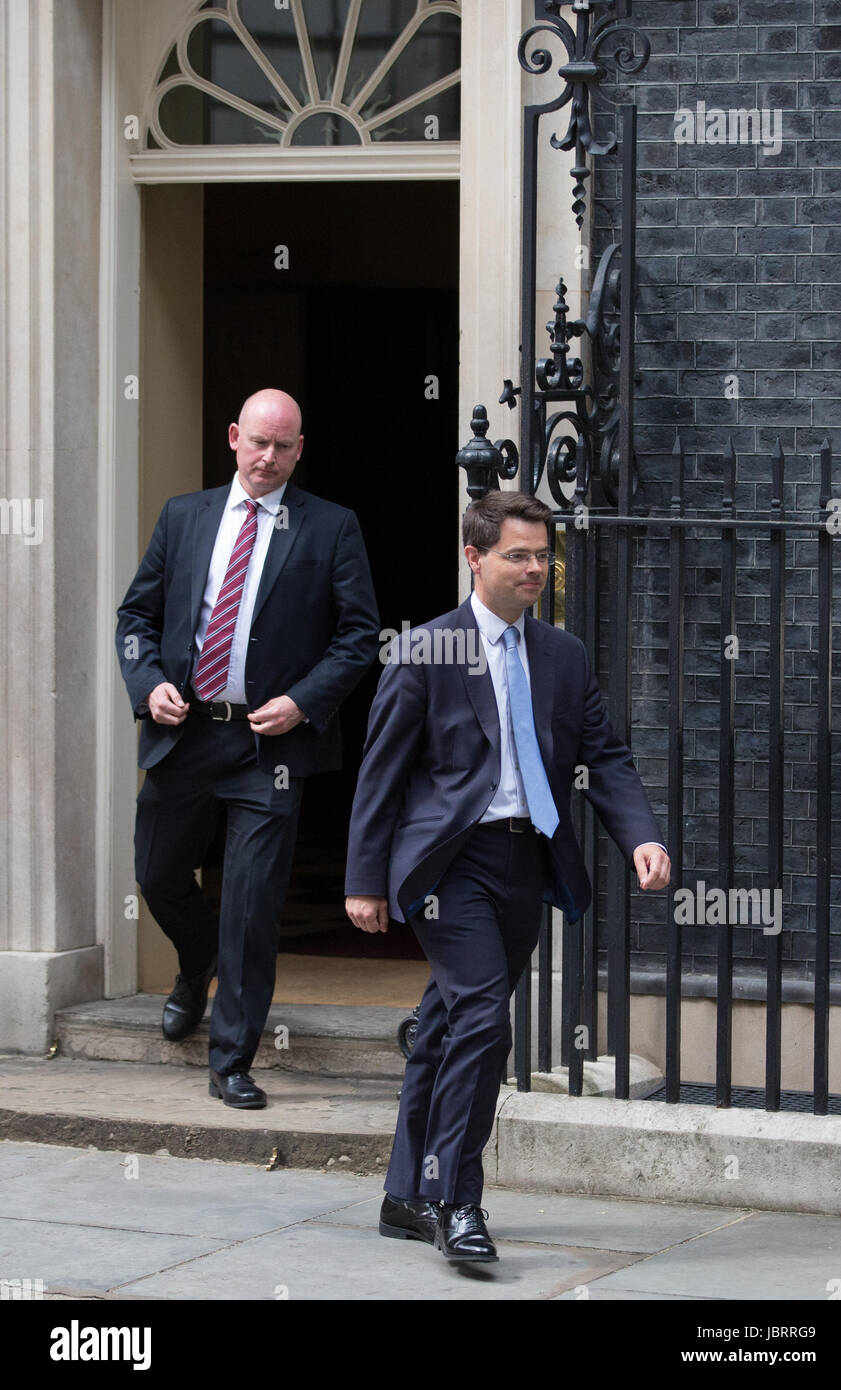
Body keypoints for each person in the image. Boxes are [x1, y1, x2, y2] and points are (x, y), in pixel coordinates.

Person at [344, 489, 669, 1262]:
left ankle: (402, 1193)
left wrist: (641, 838)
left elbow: (607, 754)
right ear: (475, 557)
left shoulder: (562, 654)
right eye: (518, 554)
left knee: (449, 1026)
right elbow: (379, 776)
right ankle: (459, 1200)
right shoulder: (426, 650)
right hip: (448, 869)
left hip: (529, 862)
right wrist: (364, 880)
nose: (535, 568)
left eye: (541, 554)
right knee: (486, 1022)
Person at [117, 389, 379, 1109]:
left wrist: (304, 701)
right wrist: (148, 687)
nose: (268, 458)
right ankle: (194, 958)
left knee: (252, 903)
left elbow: (359, 636)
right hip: (186, 731)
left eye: (284, 446)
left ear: (300, 450)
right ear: (234, 438)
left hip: (273, 748)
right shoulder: (184, 516)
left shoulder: (330, 527)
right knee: (158, 873)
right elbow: (136, 615)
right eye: (258, 442)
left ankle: (231, 1059)